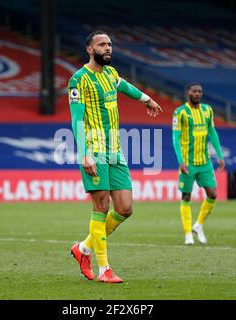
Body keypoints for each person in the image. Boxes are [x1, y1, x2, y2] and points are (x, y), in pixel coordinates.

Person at [68, 31, 163, 283]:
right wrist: (84, 154)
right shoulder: (78, 80)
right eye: (102, 44)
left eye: (110, 44)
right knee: (101, 207)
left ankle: (83, 248)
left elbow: (126, 86)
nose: (108, 48)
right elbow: (76, 119)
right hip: (94, 149)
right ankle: (104, 270)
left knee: (125, 208)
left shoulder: (111, 74)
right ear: (89, 49)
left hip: (115, 150)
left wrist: (147, 99)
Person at [172, 82, 225, 245]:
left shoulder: (207, 110)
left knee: (213, 194)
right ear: (188, 92)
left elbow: (213, 133)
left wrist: (220, 156)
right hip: (188, 163)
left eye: (200, 91)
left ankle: (198, 225)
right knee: (186, 196)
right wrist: (181, 161)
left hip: (205, 162)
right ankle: (188, 233)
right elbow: (176, 138)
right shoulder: (179, 113)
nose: (197, 93)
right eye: (194, 91)